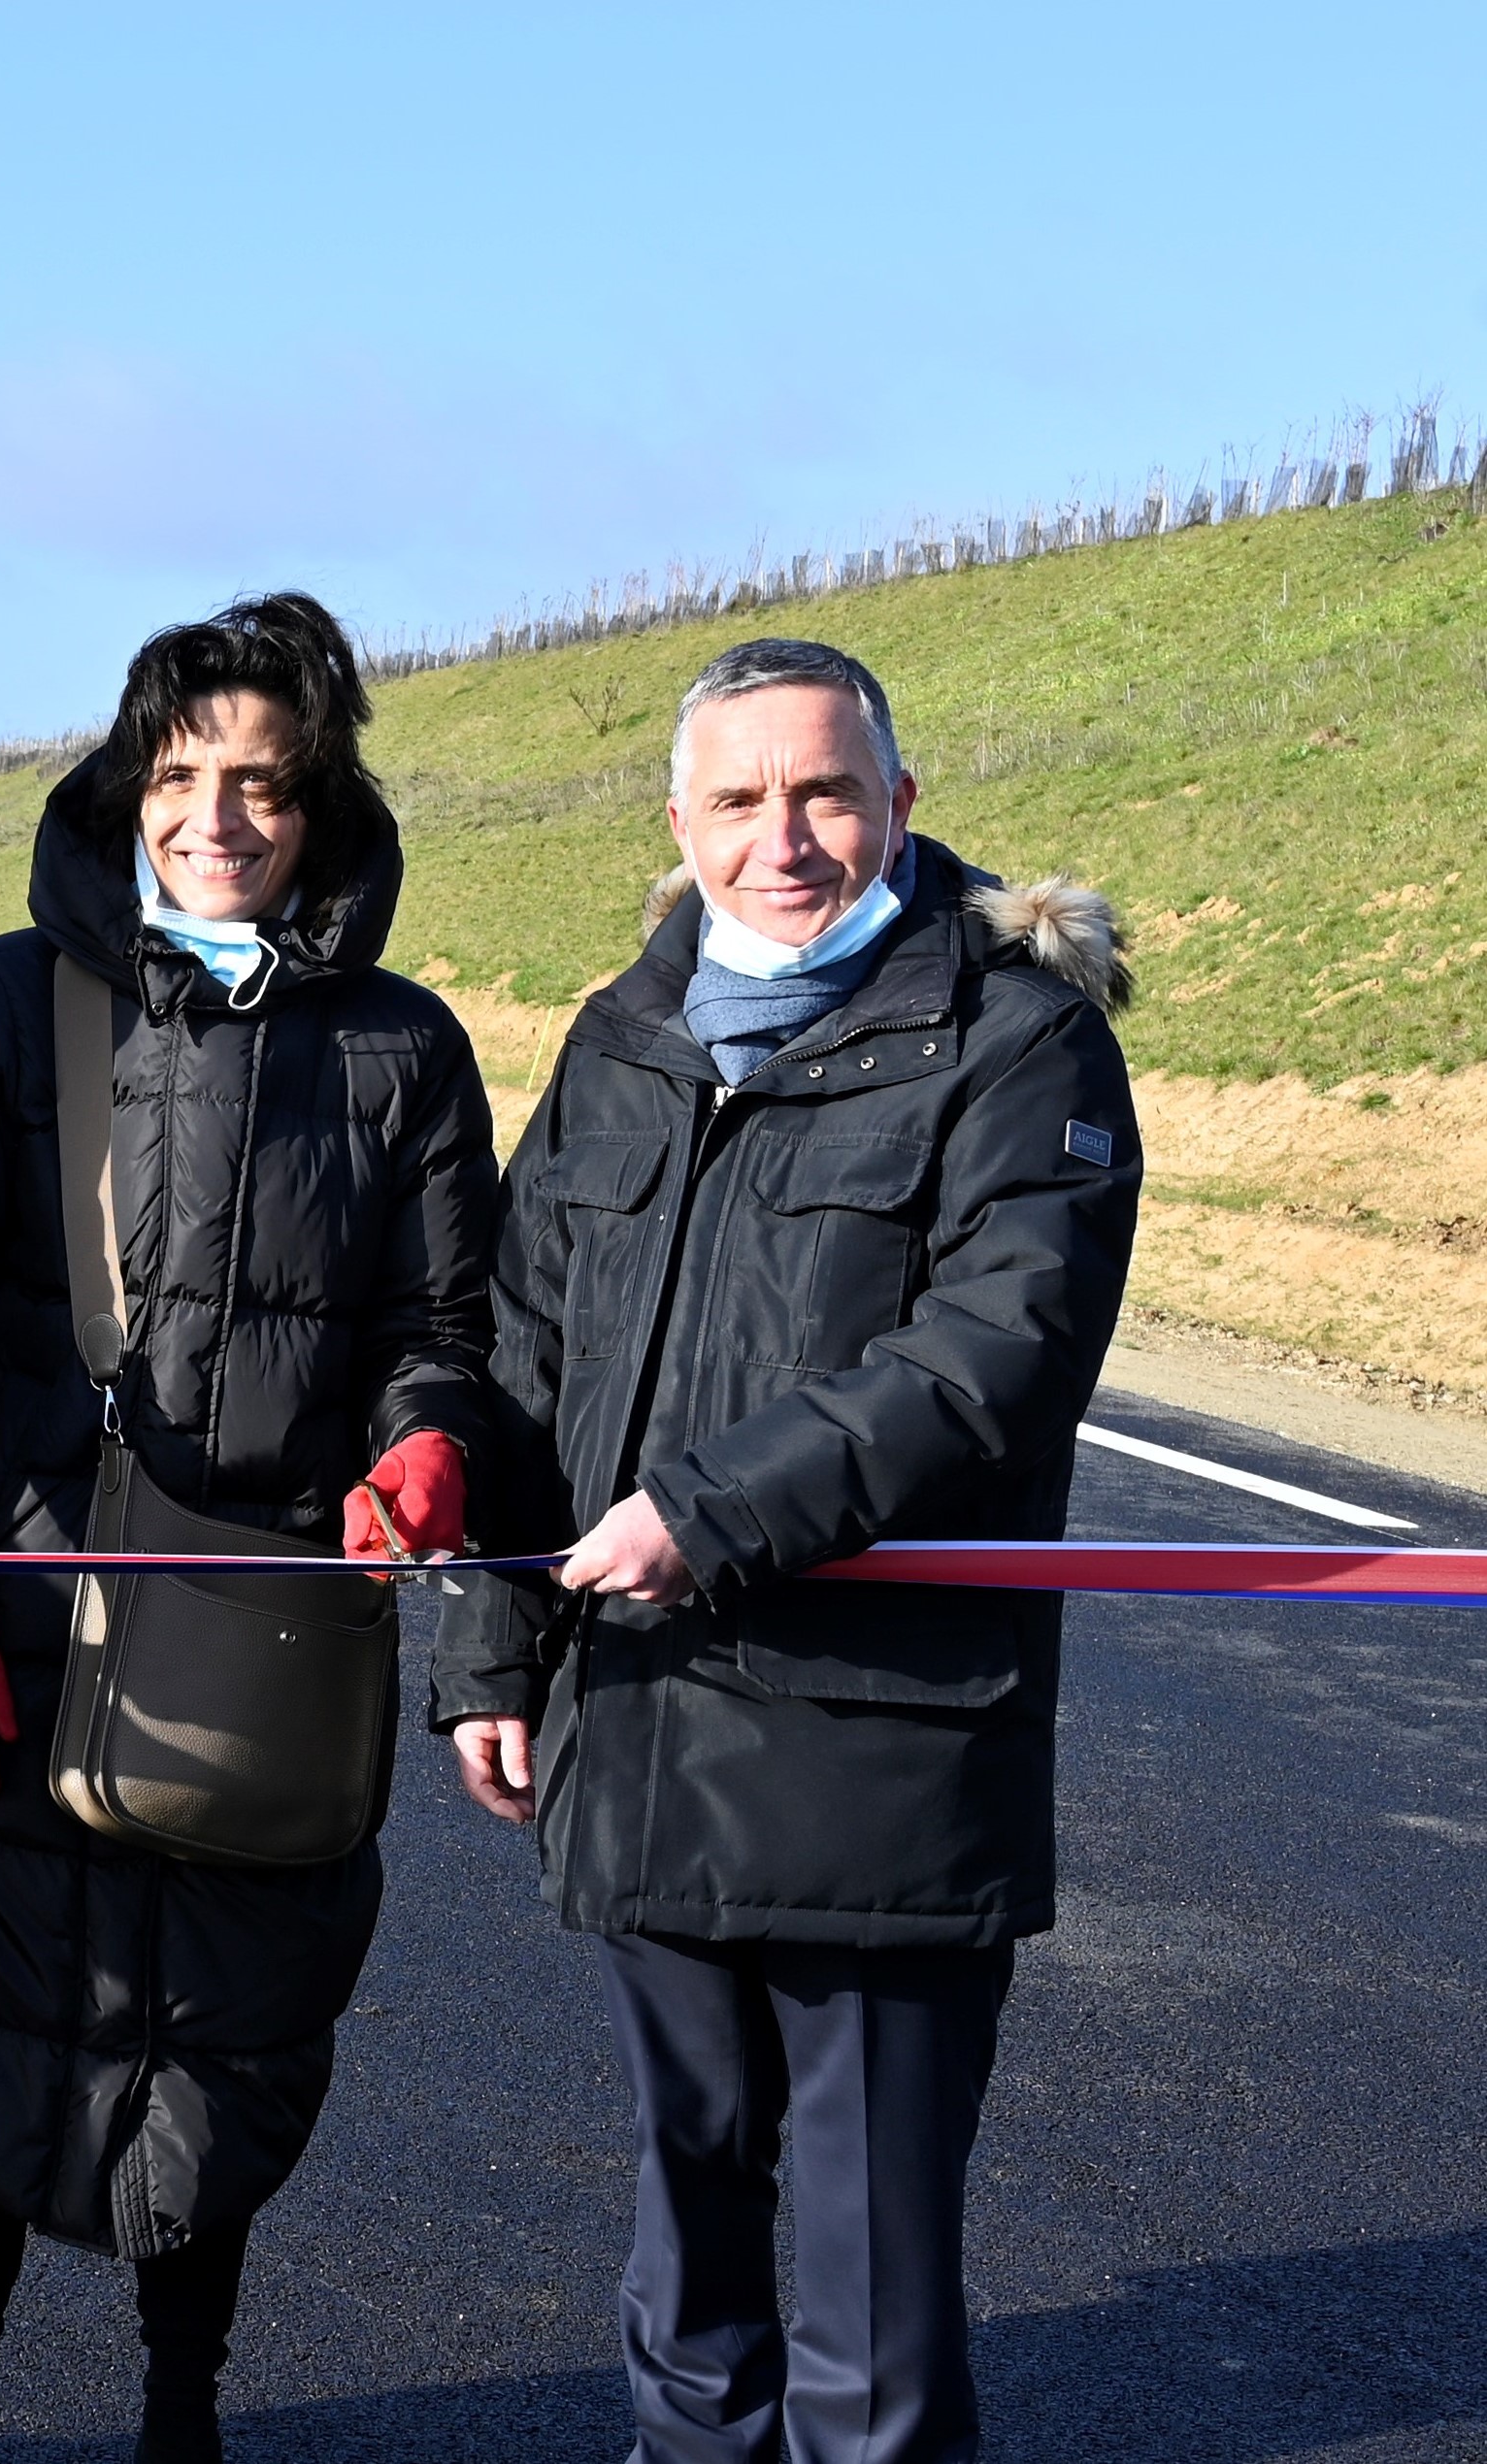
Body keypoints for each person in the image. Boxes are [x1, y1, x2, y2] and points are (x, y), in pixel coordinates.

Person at [0, 594, 500, 2464]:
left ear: (322, 801)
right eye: (180, 775)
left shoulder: (407, 1052)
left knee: (219, 2046)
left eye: (264, 781)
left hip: (257, 1649)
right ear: (126, 787)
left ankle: (181, 2414)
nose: (218, 816)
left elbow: (442, 1333)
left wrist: (423, 1447)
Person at [433, 638, 1139, 2464]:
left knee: (872, 2314)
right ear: (680, 821)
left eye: (827, 790)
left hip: (881, 1762)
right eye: (740, 798)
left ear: (900, 802)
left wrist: (714, 1513)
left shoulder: (1020, 1035)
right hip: (641, 1732)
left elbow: (999, 1352)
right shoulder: (621, 1037)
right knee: (689, 2283)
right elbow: (523, 1354)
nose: (786, 836)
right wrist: (494, 1656)